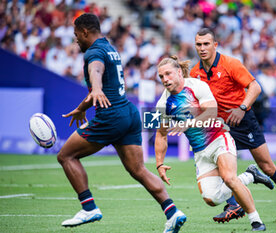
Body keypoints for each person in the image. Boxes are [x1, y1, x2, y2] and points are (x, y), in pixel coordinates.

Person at [57, 13, 186, 233]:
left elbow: (95, 71)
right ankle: (173, 212)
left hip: (111, 116)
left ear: (85, 32)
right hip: (128, 113)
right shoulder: (110, 48)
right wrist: (82, 108)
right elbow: (106, 88)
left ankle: (88, 207)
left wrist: (95, 87)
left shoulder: (93, 52)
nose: (75, 39)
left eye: (76, 34)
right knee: (138, 170)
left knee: (66, 156)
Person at [190, 28, 276, 225]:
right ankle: (233, 204)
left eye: (206, 44)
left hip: (242, 120)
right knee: (218, 166)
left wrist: (242, 108)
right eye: (199, 44)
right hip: (220, 126)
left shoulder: (231, 64)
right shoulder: (196, 73)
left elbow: (255, 87)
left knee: (267, 166)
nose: (202, 48)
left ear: (215, 45)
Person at [155, 55, 269, 231]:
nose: (165, 79)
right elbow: (161, 134)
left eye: (168, 74)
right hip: (200, 151)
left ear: (179, 72)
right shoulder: (163, 104)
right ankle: (250, 175)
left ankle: (256, 222)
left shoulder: (196, 86)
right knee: (211, 199)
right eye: (161, 76)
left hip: (219, 139)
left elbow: (211, 112)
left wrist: (188, 124)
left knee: (229, 178)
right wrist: (159, 163)